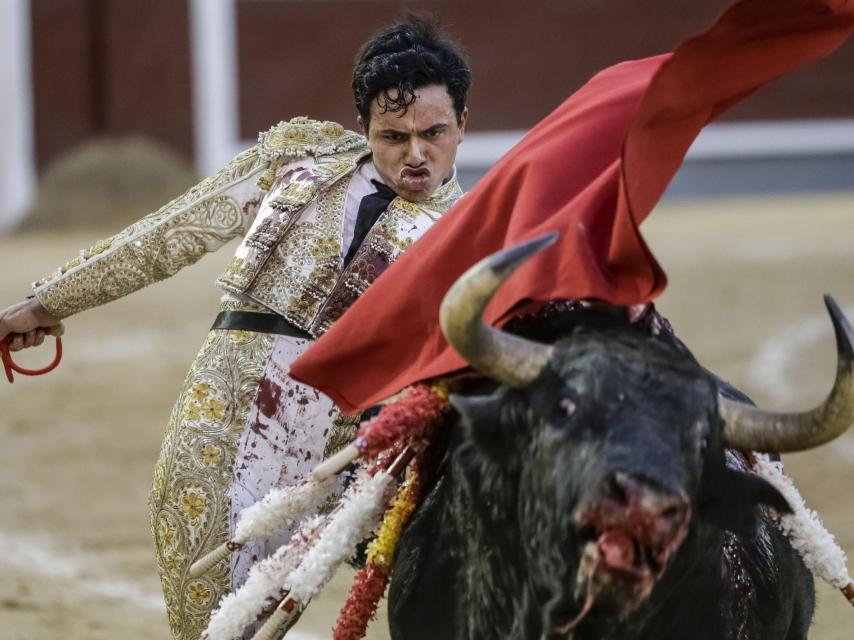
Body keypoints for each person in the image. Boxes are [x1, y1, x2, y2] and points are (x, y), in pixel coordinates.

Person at [0, 16, 469, 640]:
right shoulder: (300, 159)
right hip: (214, 424)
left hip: (322, 468)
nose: (415, 154)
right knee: (204, 624)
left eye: (433, 133)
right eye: (393, 136)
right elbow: (172, 233)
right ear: (364, 127)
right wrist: (48, 303)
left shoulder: (471, 234)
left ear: (462, 123)